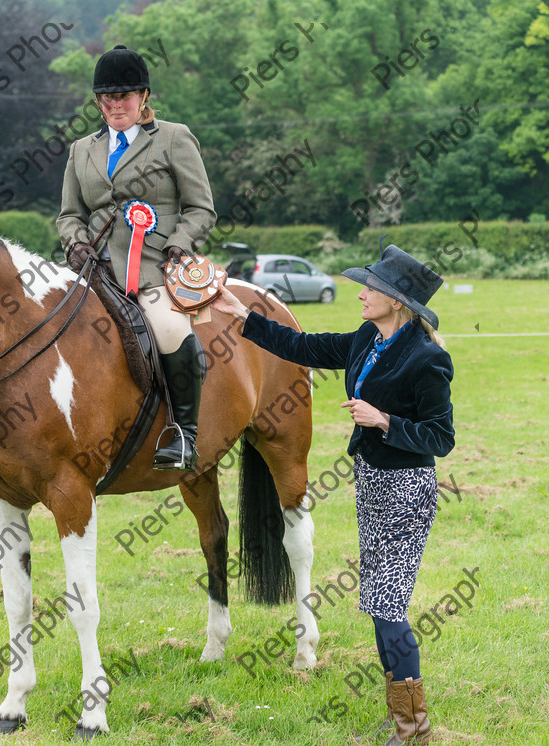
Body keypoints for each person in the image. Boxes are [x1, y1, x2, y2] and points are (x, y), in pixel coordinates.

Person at [211, 242, 454, 745]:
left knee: (387, 605)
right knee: (377, 601)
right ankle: (401, 712)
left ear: (398, 301)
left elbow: (441, 437)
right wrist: (244, 317)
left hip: (407, 490)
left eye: (372, 288)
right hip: (371, 483)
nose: (362, 293)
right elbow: (309, 347)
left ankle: (415, 728)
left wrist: (385, 421)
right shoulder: (369, 338)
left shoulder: (428, 359)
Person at [57, 45, 216, 470]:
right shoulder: (81, 150)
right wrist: (75, 243)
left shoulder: (173, 138)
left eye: (124, 98)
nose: (115, 106)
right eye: (107, 100)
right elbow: (70, 214)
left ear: (143, 96)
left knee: (167, 327)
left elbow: (201, 208)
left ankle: (184, 434)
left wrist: (178, 244)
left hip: (152, 268)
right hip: (94, 271)